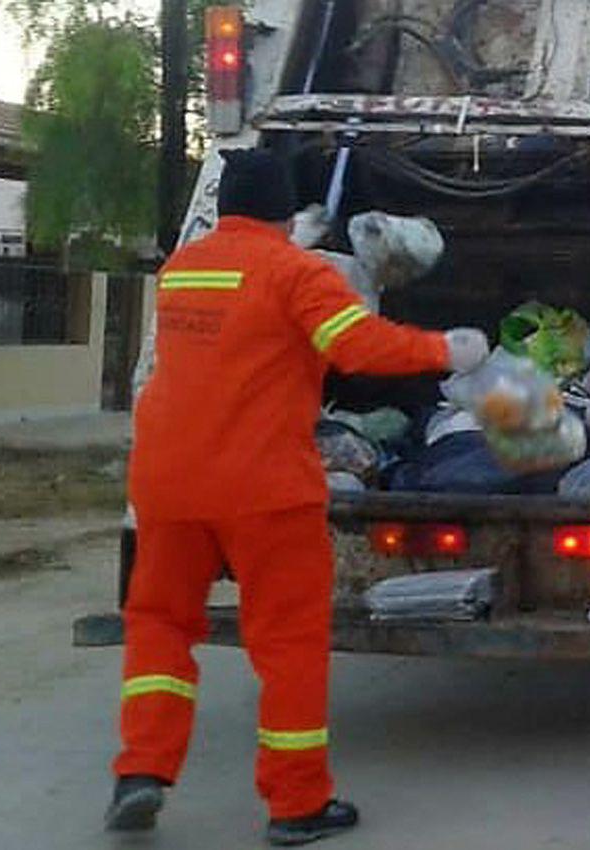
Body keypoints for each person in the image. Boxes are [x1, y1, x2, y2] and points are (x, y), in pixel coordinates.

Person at [105, 148, 490, 846]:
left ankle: (141, 772)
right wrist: (447, 351)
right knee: (287, 645)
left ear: (222, 209)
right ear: (285, 213)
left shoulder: (183, 268)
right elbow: (361, 348)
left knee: (159, 625)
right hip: (261, 488)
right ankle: (296, 803)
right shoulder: (293, 271)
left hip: (166, 483)